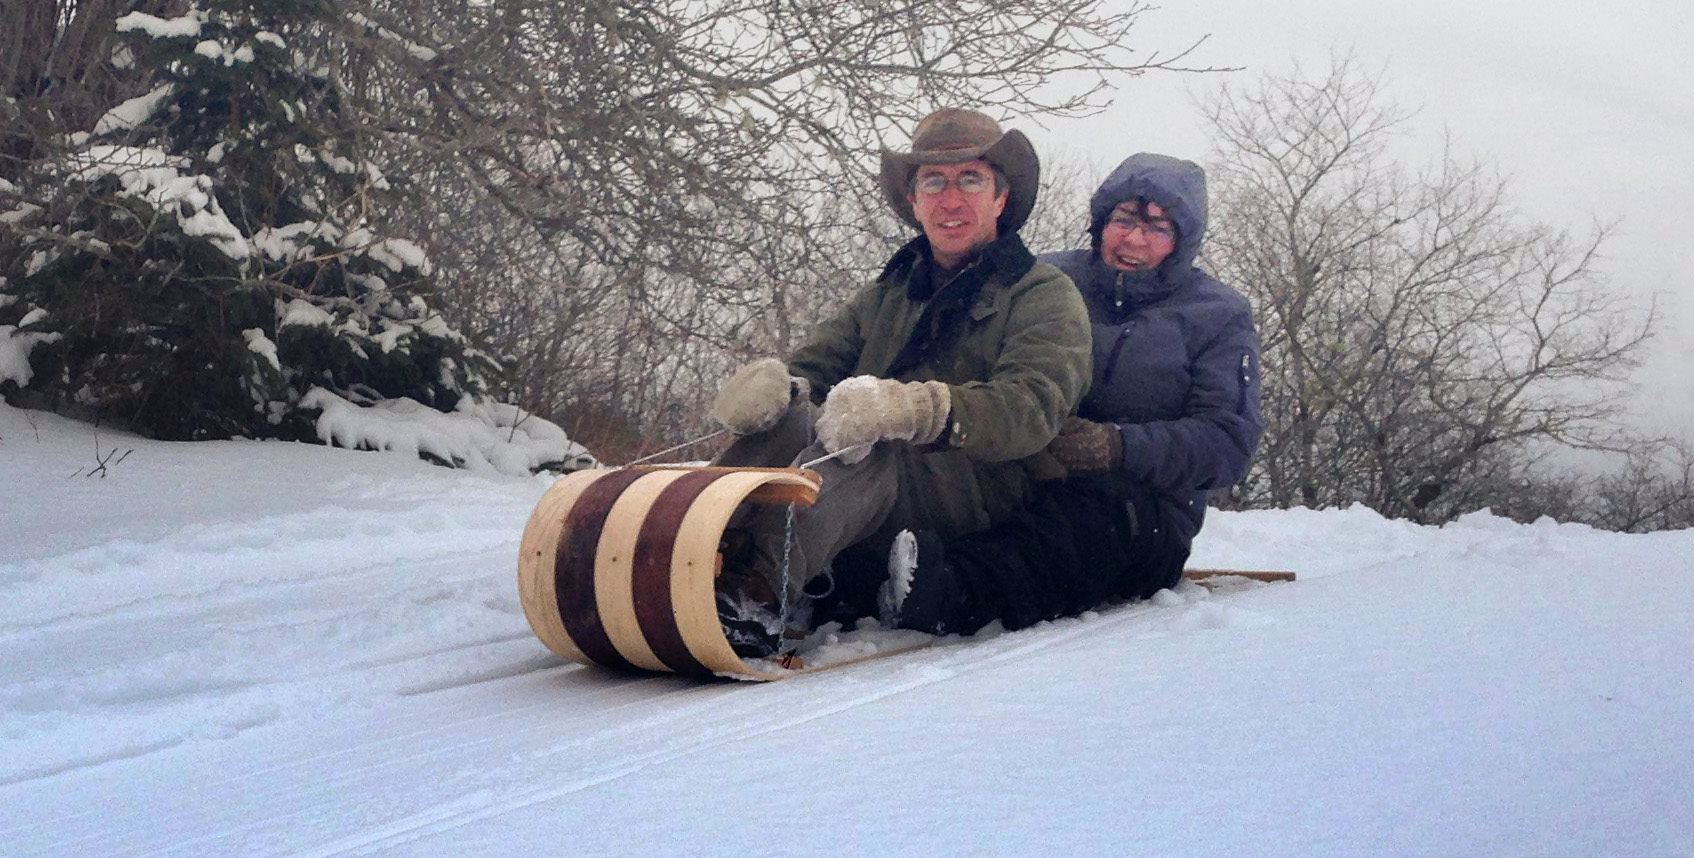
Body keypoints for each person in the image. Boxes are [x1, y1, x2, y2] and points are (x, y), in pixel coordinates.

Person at [707, 108, 1093, 655]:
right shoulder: (889, 292)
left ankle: (758, 593)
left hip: (984, 493)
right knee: (791, 417)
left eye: (971, 179)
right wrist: (775, 389)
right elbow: (814, 372)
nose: (950, 199)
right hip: (877, 490)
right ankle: (687, 545)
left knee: (874, 444)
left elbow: (1031, 409)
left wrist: (917, 410)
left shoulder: (1043, 293)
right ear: (914, 201)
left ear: (1001, 198)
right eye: (933, 181)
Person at [880, 152, 1264, 636]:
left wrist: (1117, 447)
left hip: (1142, 510)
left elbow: (1228, 441)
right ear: (1102, 221)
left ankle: (954, 592)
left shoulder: (1216, 315)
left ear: (1181, 243)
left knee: (1086, 520)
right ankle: (856, 577)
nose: (1134, 238)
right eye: (1123, 220)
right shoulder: (1050, 280)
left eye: (1158, 228)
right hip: (1027, 466)